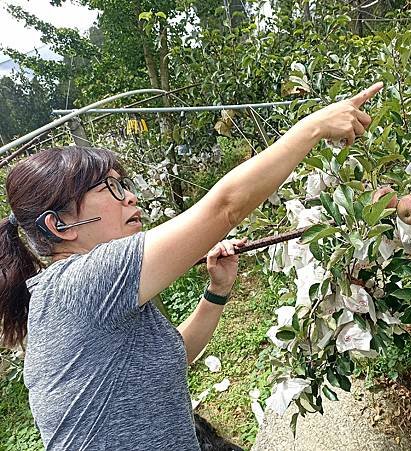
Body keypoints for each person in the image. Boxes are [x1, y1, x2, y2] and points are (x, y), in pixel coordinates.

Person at [0, 82, 383, 450]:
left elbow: (167, 361)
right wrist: (314, 126)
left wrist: (216, 293)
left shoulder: (85, 297)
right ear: (59, 225)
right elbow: (226, 206)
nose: (131, 197)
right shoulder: (81, 283)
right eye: (110, 189)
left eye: (125, 184)